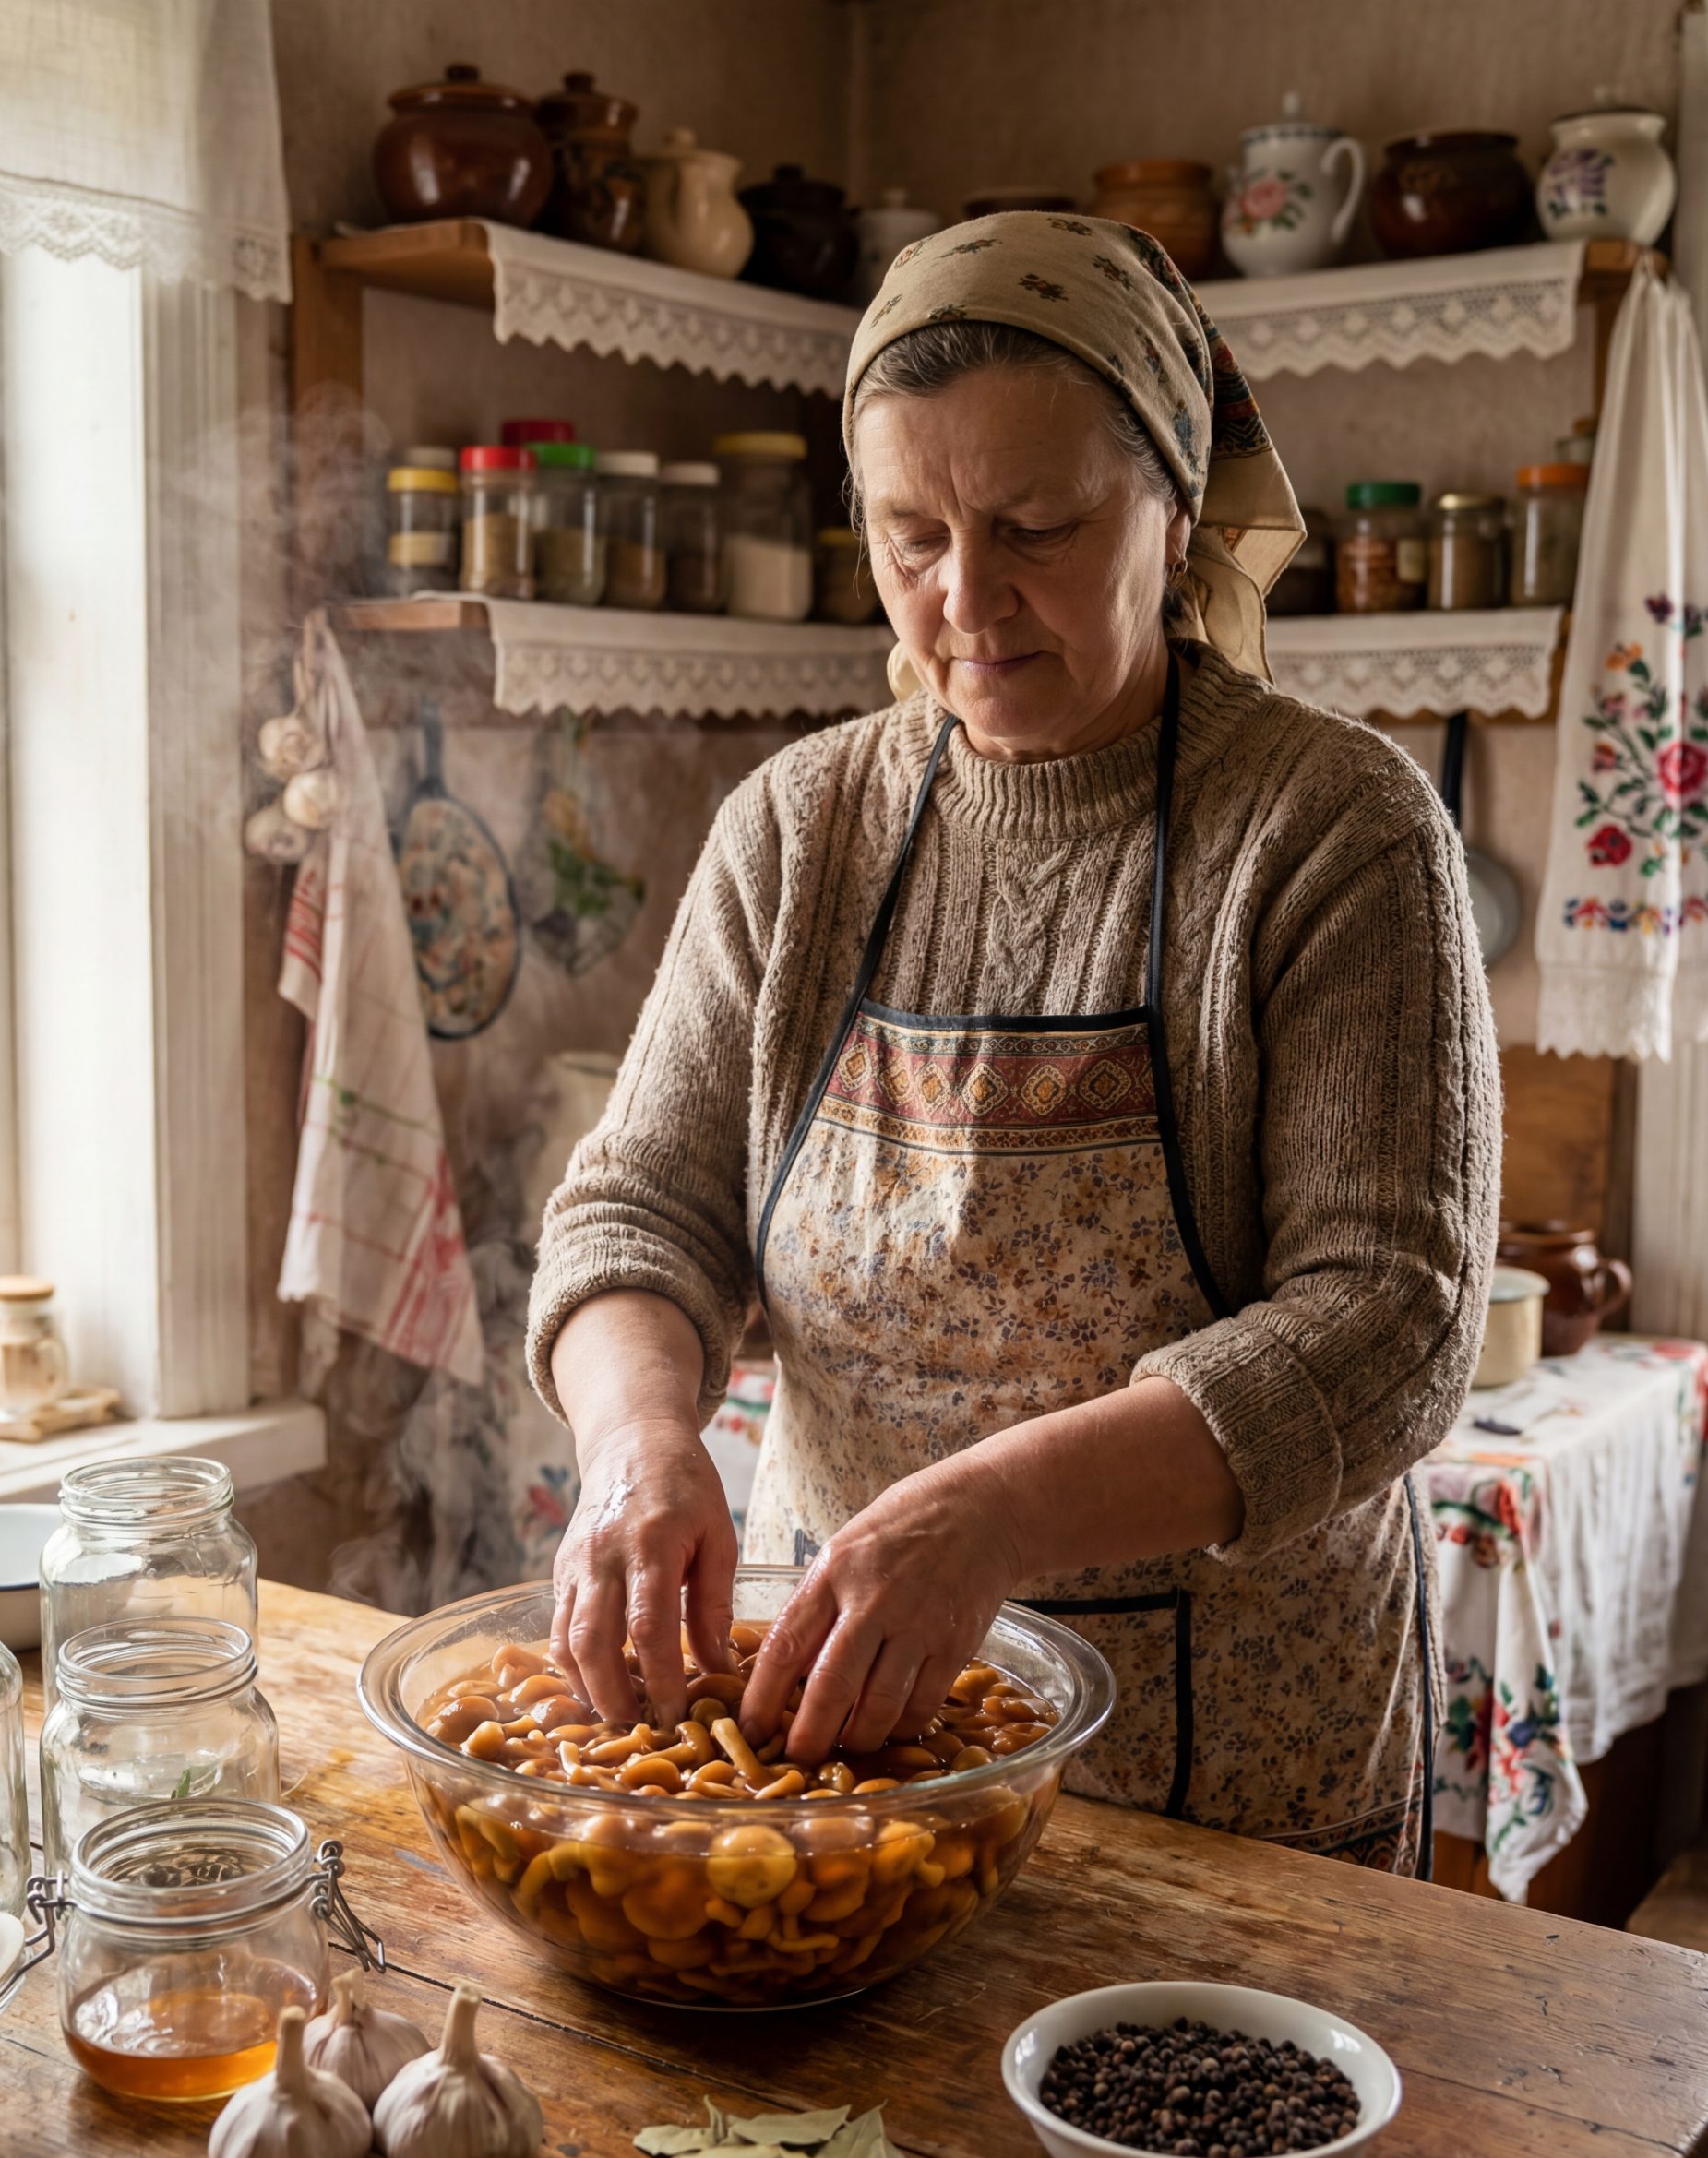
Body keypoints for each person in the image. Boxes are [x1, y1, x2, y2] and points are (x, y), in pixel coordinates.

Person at [524, 214, 1499, 1877]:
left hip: (1230, 1774)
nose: (962, 601)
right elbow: (639, 1216)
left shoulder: (1333, 828)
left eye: (1034, 527)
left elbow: (1384, 1322)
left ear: (1174, 509)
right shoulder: (799, 825)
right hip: (836, 1740)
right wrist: (635, 1442)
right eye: (909, 534)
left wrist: (993, 1515)